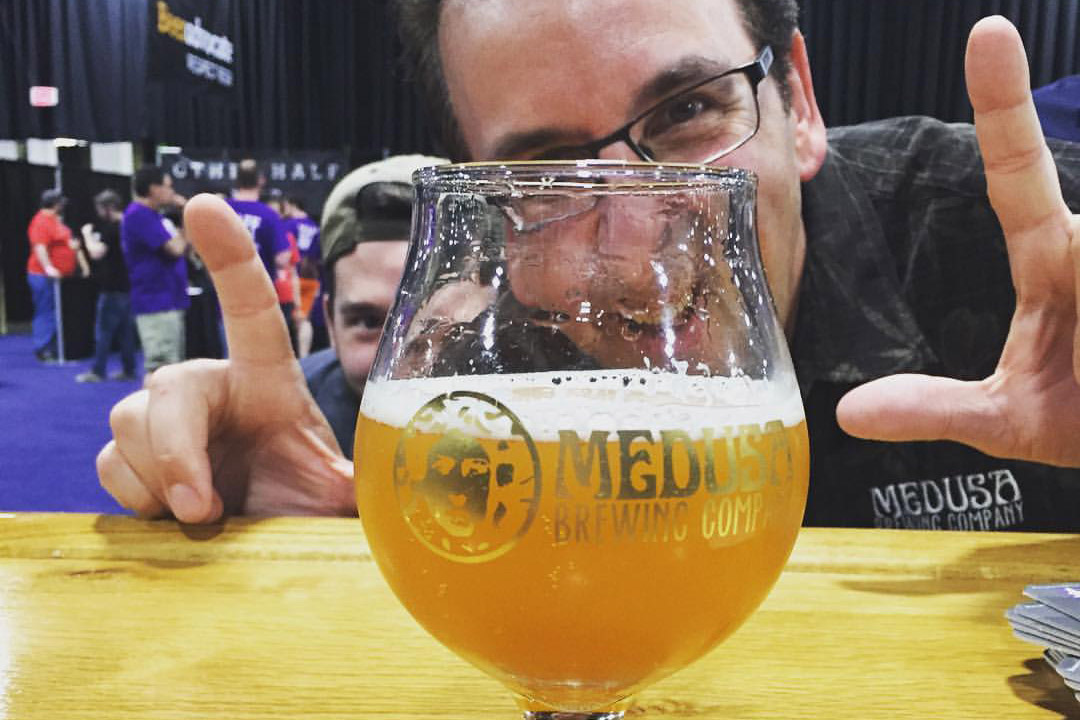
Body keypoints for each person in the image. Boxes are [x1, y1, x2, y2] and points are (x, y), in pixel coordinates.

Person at [99, 2, 1080, 531]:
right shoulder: (474, 370)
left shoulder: (1019, 247)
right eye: (542, 167)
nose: (634, 232)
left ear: (801, 104)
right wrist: (297, 547)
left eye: (690, 111)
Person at [301, 155, 447, 456]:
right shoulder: (285, 423)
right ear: (331, 324)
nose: (399, 363)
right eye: (369, 322)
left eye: (436, 323)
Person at [121, 165, 189, 376]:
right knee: (162, 369)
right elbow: (176, 248)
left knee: (170, 368)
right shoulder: (139, 215)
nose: (173, 192)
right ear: (153, 189)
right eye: (168, 186)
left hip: (167, 299)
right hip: (156, 302)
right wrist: (188, 215)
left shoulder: (153, 216)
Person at [227, 161, 293, 354]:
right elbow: (283, 259)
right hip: (259, 295)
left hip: (226, 294)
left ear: (236, 180)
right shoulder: (269, 215)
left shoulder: (223, 209)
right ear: (261, 181)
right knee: (260, 355)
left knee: (232, 354)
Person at [75, 190, 138, 383]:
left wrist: (86, 236)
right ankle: (129, 369)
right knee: (126, 332)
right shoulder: (130, 224)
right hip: (128, 285)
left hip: (112, 288)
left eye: (101, 209)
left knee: (103, 331)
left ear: (108, 208)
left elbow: (96, 253)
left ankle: (98, 370)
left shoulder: (112, 228)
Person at [25, 189, 78, 363]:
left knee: (53, 311)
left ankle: (53, 344)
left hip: (57, 277)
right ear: (55, 204)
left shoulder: (54, 221)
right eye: (60, 203)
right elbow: (40, 247)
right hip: (42, 276)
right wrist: (48, 267)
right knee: (45, 311)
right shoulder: (41, 222)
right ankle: (43, 347)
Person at [281, 195, 322, 357]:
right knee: (305, 320)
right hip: (311, 276)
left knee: (293, 320)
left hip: (293, 277)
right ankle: (305, 355)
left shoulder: (288, 225)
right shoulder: (313, 225)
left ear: (291, 204)